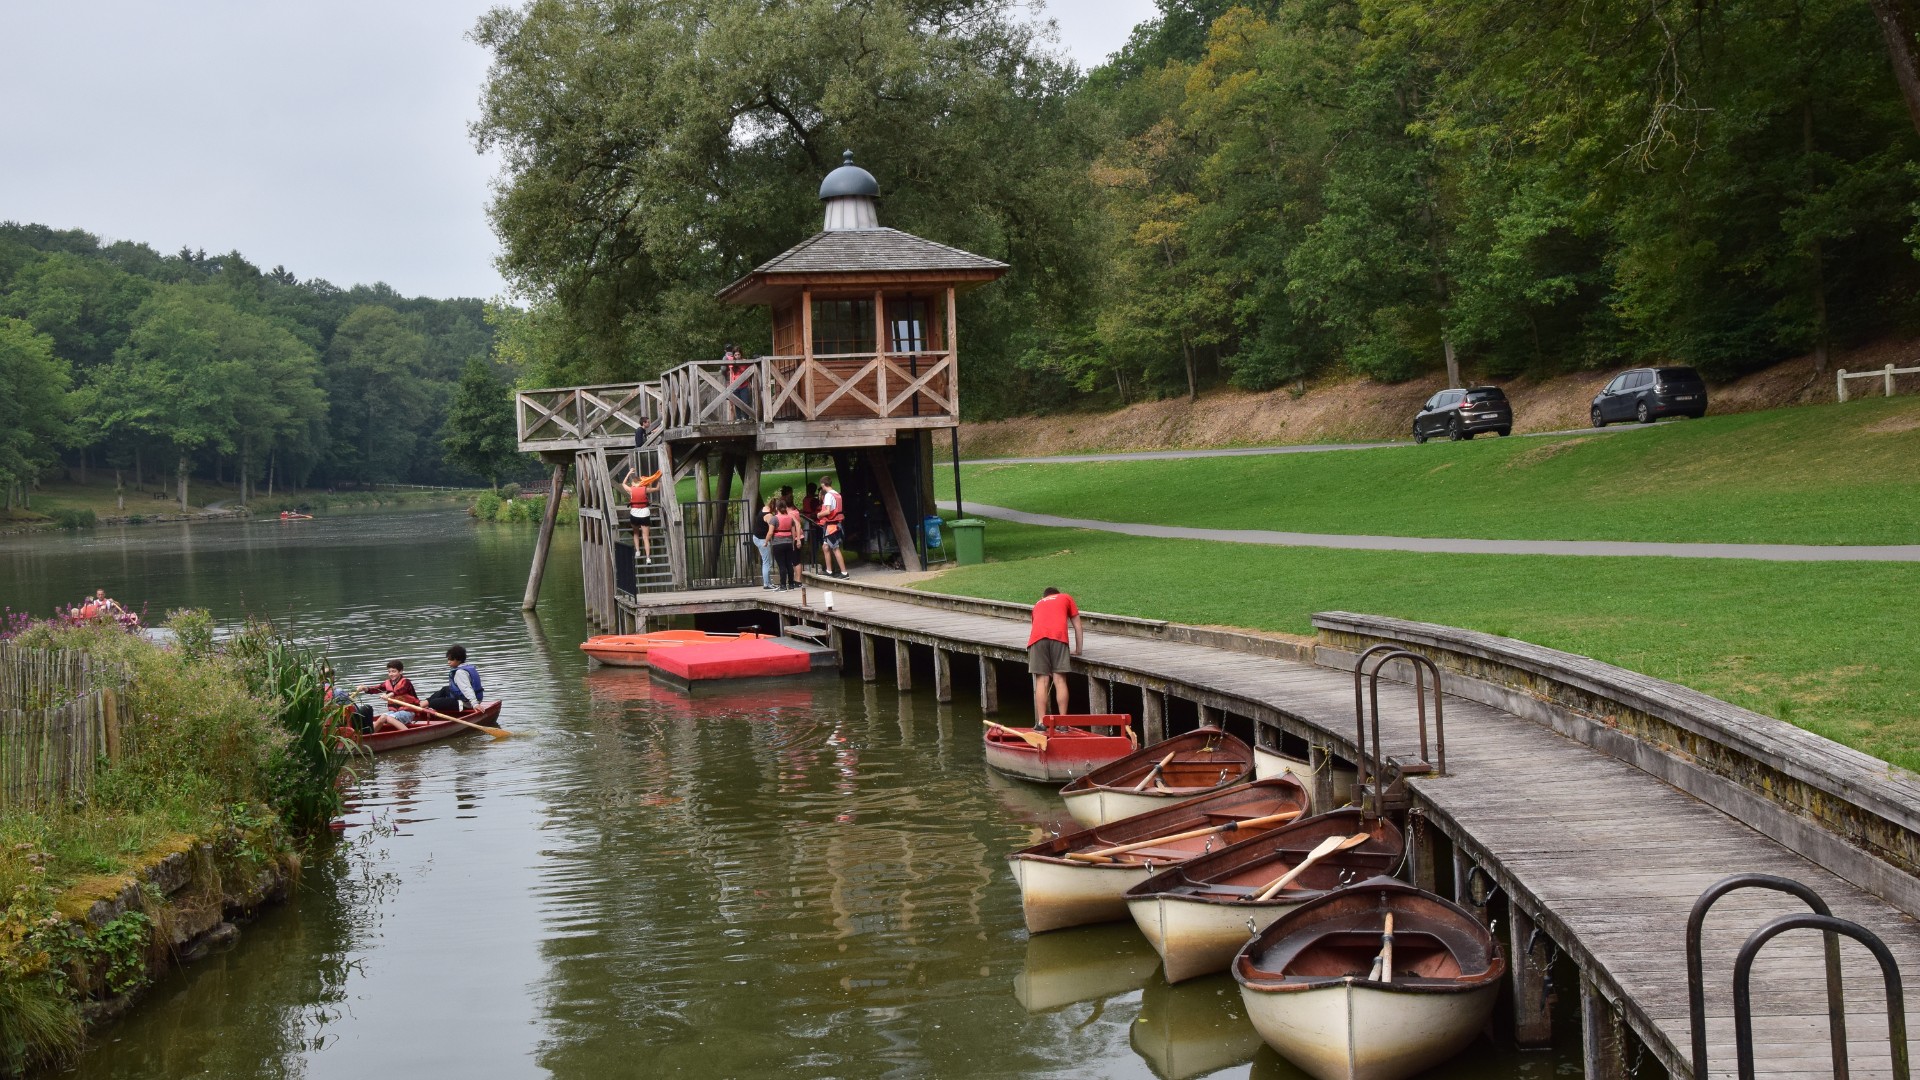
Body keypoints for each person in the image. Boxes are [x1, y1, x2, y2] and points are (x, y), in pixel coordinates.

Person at [1027, 587, 1083, 722]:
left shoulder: (1037, 604)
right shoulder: (1065, 597)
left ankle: (1041, 722)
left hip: (1036, 639)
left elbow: (1036, 625)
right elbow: (1078, 625)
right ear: (1057, 593)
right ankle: (1063, 722)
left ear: (1044, 596)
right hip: (1059, 637)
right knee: (1059, 680)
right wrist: (1078, 650)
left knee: (1042, 680)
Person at [358, 660, 421, 733]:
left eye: (394, 671)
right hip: (395, 712)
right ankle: (370, 736)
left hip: (408, 712)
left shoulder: (406, 682)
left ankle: (409, 734)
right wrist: (365, 688)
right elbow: (376, 689)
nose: (391, 674)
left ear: (400, 672)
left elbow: (400, 690)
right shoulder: (387, 683)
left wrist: (388, 695)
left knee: (389, 718)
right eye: (389, 672)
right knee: (382, 717)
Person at [427, 646, 485, 717]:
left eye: (451, 660)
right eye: (448, 659)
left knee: (433, 703)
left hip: (466, 704)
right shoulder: (467, 667)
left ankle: (427, 704)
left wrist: (475, 704)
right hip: (474, 699)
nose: (448, 662)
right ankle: (423, 703)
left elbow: (466, 689)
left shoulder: (460, 672)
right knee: (445, 689)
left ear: (458, 659)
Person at [626, 467, 662, 563]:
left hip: (634, 514)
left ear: (633, 483)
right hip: (645, 514)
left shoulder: (631, 490)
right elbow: (657, 489)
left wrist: (629, 473)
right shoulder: (645, 489)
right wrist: (659, 479)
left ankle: (638, 551)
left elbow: (623, 483)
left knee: (636, 533)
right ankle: (648, 558)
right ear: (641, 482)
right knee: (646, 537)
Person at [767, 497, 803, 591]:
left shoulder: (774, 519)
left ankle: (783, 585)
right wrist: (793, 541)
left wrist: (766, 541)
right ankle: (791, 584)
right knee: (789, 564)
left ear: (776, 508)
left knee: (781, 565)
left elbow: (770, 532)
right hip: (789, 543)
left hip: (778, 544)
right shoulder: (790, 518)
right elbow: (793, 532)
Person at [817, 476, 849, 579]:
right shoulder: (837, 494)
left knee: (835, 548)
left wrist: (819, 515)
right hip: (835, 524)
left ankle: (844, 573)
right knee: (825, 547)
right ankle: (829, 570)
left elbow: (828, 511)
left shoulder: (828, 496)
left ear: (823, 485)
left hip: (832, 526)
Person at [723, 343, 753, 420]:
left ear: (741, 354)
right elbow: (729, 371)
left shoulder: (745, 362)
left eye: (738, 354)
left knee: (745, 402)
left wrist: (750, 383)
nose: (737, 356)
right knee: (737, 403)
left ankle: (746, 418)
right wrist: (730, 384)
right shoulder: (732, 362)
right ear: (734, 355)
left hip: (744, 385)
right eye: (735, 355)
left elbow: (751, 368)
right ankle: (738, 418)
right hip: (735, 385)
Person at [751, 498, 776, 591]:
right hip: (762, 540)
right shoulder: (769, 515)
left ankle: (769, 582)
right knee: (767, 562)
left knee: (766, 561)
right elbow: (770, 531)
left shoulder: (764, 508)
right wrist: (767, 541)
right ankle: (766, 584)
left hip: (756, 537)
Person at [802, 483, 823, 570]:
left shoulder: (805, 499)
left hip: (806, 519)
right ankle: (813, 559)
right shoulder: (813, 500)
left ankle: (811, 558)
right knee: (814, 543)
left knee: (810, 542)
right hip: (813, 522)